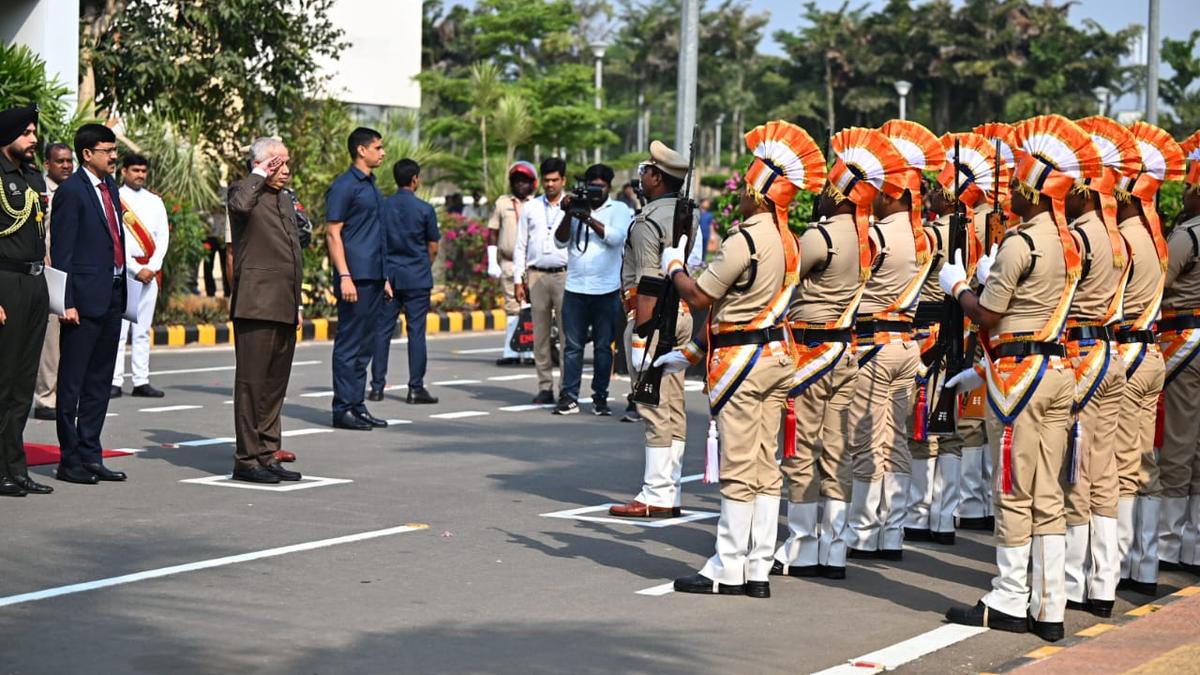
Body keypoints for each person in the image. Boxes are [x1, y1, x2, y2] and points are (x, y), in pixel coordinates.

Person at [942, 114, 1101, 642]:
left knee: (1012, 489)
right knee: (1048, 493)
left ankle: (1009, 598)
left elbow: (988, 316)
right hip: (1056, 370)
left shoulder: (1020, 243)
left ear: (1034, 190)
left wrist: (960, 285)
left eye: (1016, 183)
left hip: (1020, 378)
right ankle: (1049, 606)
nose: (1009, 191)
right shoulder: (1069, 241)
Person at [666, 120, 812, 597]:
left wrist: (674, 266)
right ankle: (757, 566)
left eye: (747, 189)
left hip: (743, 361)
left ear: (762, 194)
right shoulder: (790, 239)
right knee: (765, 465)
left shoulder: (745, 238)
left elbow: (701, 295)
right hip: (777, 356)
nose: (741, 196)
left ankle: (728, 564)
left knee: (737, 464)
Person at [771, 127, 899, 579]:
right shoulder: (872, 239)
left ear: (839, 193)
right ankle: (836, 547)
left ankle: (803, 546)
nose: (820, 198)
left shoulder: (821, 236)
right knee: (837, 449)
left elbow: (786, 279)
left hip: (811, 350)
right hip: (846, 350)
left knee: (803, 450)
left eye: (827, 190)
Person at [845, 120, 945, 559]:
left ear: (892, 193)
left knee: (868, 437)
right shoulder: (925, 237)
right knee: (898, 441)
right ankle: (893, 530)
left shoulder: (879, 235)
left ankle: (865, 531)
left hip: (873, 344)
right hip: (907, 344)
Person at [1056, 116, 1138, 618]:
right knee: (1104, 470)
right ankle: (1103, 584)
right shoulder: (1122, 235)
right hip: (1112, 352)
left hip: (1081, 355)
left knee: (1075, 472)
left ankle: (1067, 583)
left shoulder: (1081, 237)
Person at [1113, 122, 1184, 596]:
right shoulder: (1155, 234)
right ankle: (1145, 565)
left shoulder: (1124, 237)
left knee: (1117, 465)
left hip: (1124, 353)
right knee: (1145, 464)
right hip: (1150, 351)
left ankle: (1113, 567)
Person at [608, 141, 695, 518]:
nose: (641, 175)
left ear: (657, 178)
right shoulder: (683, 213)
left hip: (653, 316)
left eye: (645, 170)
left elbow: (647, 281)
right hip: (682, 314)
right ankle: (669, 490)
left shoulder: (648, 220)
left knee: (652, 404)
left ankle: (655, 494)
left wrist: (642, 334)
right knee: (673, 404)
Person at [50, 123, 130, 485]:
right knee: (73, 384)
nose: (114, 156)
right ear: (87, 154)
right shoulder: (71, 192)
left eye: (114, 150)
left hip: (113, 294)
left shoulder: (110, 187)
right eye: (107, 150)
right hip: (81, 301)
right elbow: (63, 251)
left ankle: (91, 454)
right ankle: (69, 460)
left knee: (100, 382)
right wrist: (65, 301)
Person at [225, 137, 304, 484]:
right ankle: (247, 458)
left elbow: (294, 248)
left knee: (274, 386)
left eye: (286, 164)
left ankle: (268, 452)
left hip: (284, 303)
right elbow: (240, 205)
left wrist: (296, 302)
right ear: (259, 165)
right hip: (256, 304)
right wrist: (259, 172)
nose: (284, 171)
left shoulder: (284, 199)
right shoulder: (244, 191)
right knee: (252, 385)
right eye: (276, 164)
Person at [0, 104, 53, 496]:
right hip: (6, 282)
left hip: (35, 284)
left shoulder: (33, 176)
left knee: (23, 383)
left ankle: (16, 468)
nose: (34, 139)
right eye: (28, 132)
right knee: (3, 381)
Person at [552, 163, 632, 416]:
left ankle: (600, 397)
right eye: (591, 187)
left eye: (600, 187)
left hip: (607, 290)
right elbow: (559, 240)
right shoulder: (577, 204)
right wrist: (569, 212)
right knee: (573, 346)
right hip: (576, 288)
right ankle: (569, 396)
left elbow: (616, 238)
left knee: (602, 347)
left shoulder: (619, 209)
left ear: (609, 187)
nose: (595, 192)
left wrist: (587, 217)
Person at [327, 127, 389, 431]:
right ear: (361, 150)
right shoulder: (344, 186)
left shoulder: (371, 185)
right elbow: (333, 233)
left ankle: (357, 403)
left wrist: (385, 276)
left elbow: (375, 235)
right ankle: (342, 408)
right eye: (378, 147)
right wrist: (345, 276)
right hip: (355, 276)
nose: (382, 152)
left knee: (367, 345)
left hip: (374, 275)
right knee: (349, 344)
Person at [1158, 132, 1200, 575]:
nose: (1185, 193)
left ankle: (1167, 544)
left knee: (1179, 445)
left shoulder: (1188, 234)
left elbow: (1159, 283)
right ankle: (1194, 544)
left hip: (1184, 342)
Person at [370, 158, 439, 405]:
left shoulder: (383, 207)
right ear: (414, 179)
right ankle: (415, 388)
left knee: (382, 332)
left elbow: (377, 243)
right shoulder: (425, 209)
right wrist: (423, 266)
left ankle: (377, 387)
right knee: (416, 332)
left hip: (389, 277)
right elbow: (433, 246)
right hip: (417, 277)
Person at [111, 153, 168, 399]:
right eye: (135, 170)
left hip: (150, 272)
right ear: (124, 172)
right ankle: (114, 380)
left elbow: (163, 237)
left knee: (143, 330)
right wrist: (135, 269)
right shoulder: (115, 199)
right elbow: (116, 238)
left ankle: (141, 380)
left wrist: (152, 267)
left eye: (143, 171)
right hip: (126, 271)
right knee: (120, 330)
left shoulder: (155, 202)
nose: (140, 175)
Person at [513, 158, 569, 404]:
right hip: (536, 275)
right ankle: (545, 386)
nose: (550, 184)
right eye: (546, 180)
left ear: (563, 181)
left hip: (566, 275)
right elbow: (520, 244)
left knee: (569, 335)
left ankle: (567, 387)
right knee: (541, 334)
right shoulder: (531, 207)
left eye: (555, 180)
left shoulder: (572, 206)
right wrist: (518, 279)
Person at [33, 141, 74, 422]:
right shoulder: (40, 191)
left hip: (71, 274)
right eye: (60, 161)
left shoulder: (74, 191)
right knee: (50, 341)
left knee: (68, 339)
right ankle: (46, 398)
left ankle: (64, 395)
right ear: (48, 164)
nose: (66, 165)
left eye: (69, 160)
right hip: (48, 273)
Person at [488, 161, 537, 366]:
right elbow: (493, 232)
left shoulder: (537, 204)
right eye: (516, 181)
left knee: (533, 307)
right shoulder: (502, 203)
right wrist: (492, 260)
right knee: (512, 308)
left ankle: (529, 351)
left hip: (532, 264)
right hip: (509, 262)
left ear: (533, 184)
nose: (520, 185)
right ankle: (511, 350)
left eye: (524, 181)